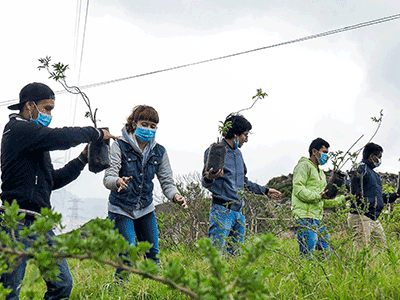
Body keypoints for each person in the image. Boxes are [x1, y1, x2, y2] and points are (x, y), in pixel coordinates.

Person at [0, 82, 116, 300]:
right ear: (30, 106)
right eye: (47, 108)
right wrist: (96, 134)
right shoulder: (17, 130)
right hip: (15, 223)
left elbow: (52, 180)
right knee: (9, 292)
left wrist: (82, 159)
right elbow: (59, 137)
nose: (49, 114)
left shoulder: (34, 142)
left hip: (40, 224)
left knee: (62, 284)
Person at [103, 105, 187, 280]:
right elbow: (108, 177)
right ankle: (119, 292)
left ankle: (150, 290)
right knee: (127, 256)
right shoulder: (119, 145)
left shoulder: (159, 151)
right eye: (144, 124)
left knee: (153, 255)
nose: (148, 129)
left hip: (146, 209)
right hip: (121, 208)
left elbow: (167, 181)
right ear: (134, 124)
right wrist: (117, 181)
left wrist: (175, 196)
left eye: (152, 126)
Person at [202, 114, 282, 255]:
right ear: (235, 134)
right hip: (221, 211)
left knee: (236, 257)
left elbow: (243, 182)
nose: (246, 139)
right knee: (215, 257)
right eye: (245, 135)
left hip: (238, 213)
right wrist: (209, 178)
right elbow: (205, 182)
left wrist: (266, 191)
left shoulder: (238, 154)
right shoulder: (216, 151)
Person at [291, 137, 346, 258]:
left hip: (317, 218)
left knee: (326, 252)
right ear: (314, 152)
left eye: (327, 153)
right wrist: (319, 196)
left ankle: (320, 276)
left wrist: (343, 199)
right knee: (308, 254)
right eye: (324, 152)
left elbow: (323, 201)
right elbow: (298, 189)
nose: (326, 156)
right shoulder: (304, 166)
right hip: (305, 216)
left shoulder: (320, 173)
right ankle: (304, 275)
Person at [348, 142, 399, 251]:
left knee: (382, 248)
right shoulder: (361, 169)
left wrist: (396, 195)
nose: (380, 160)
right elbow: (350, 185)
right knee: (361, 250)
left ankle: (374, 268)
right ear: (371, 156)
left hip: (373, 217)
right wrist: (356, 194)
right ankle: (359, 268)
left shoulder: (374, 174)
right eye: (379, 157)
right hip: (361, 215)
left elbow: (379, 197)